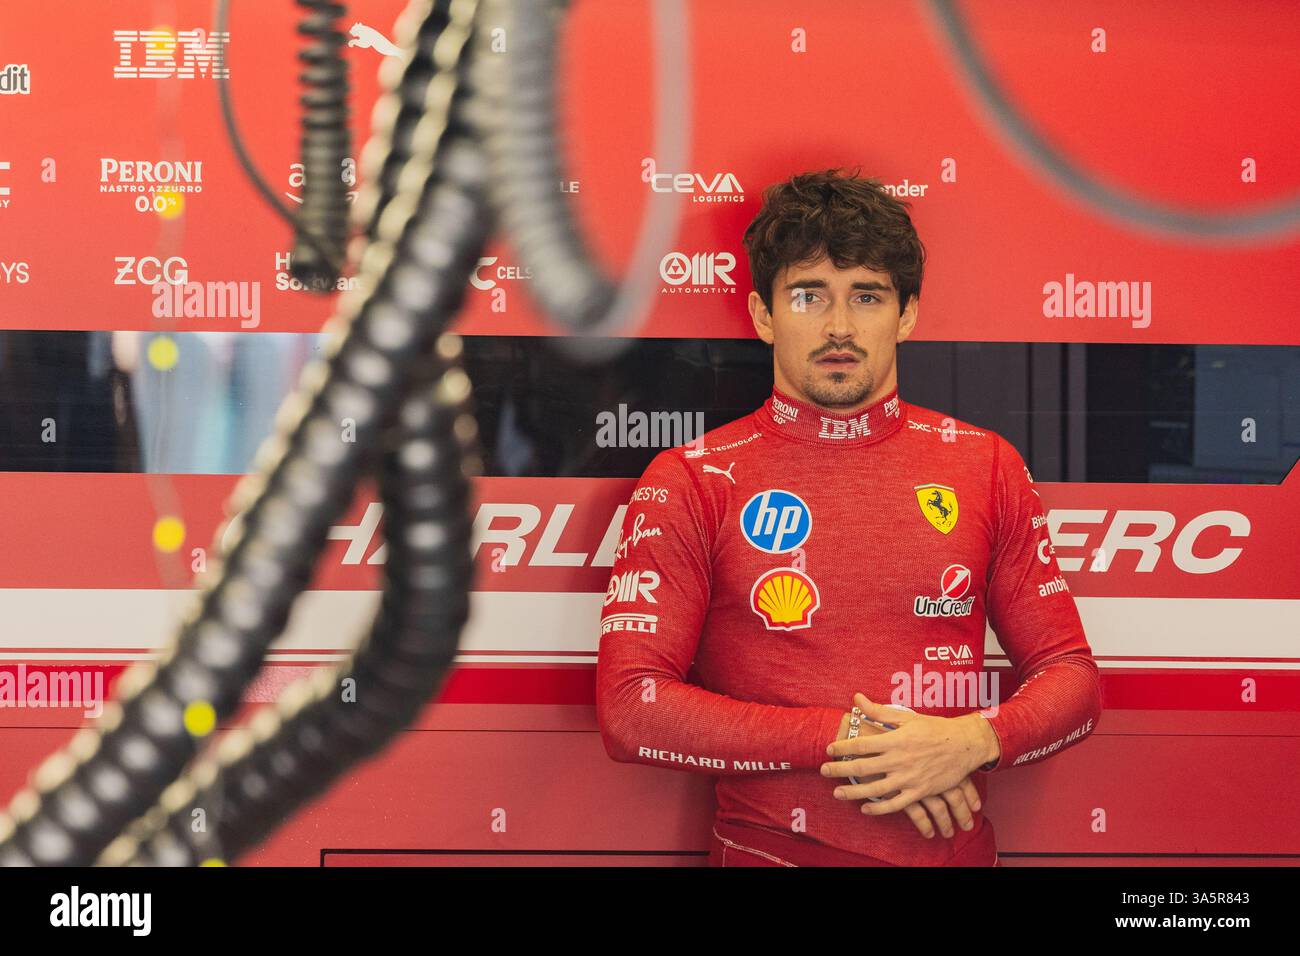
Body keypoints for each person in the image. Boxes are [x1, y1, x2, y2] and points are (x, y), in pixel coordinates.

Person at [595, 168, 1102, 866]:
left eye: (867, 296)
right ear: (764, 314)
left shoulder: (983, 465)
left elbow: (1072, 674)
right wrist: (850, 737)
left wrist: (972, 741)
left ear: (907, 313)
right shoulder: (693, 480)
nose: (838, 327)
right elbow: (631, 711)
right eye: (808, 296)